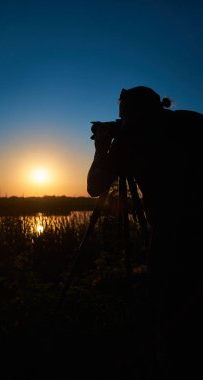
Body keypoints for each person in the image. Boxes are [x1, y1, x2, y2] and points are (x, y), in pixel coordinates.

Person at [87, 86, 203, 376]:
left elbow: (94, 187)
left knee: (169, 310)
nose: (121, 120)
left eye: (122, 114)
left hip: (173, 237)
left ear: (131, 113)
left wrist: (102, 147)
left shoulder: (131, 138)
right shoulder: (190, 121)